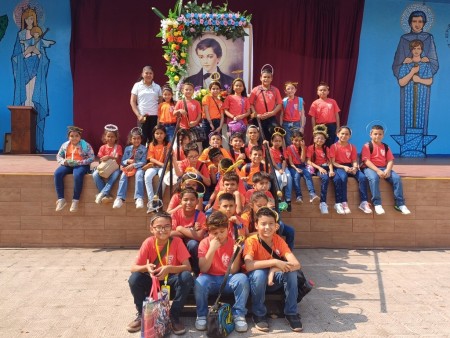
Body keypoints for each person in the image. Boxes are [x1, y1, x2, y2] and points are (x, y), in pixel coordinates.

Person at [127, 212, 194, 335]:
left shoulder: (177, 242)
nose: (163, 230)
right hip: (154, 283)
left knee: (186, 277)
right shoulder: (148, 242)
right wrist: (146, 267)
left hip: (171, 282)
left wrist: (169, 268)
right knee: (134, 278)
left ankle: (173, 316)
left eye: (167, 226)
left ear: (171, 227)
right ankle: (142, 315)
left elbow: (188, 267)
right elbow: (133, 268)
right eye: (159, 227)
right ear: (152, 229)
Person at [243, 207, 303, 332]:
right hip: (256, 281)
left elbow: (296, 264)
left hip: (273, 280)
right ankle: (258, 314)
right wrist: (275, 262)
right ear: (256, 225)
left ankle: (291, 313)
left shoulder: (278, 240)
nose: (267, 227)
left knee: (291, 272)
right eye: (263, 224)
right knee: (259, 274)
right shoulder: (251, 241)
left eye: (271, 224)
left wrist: (273, 270)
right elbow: (249, 265)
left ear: (276, 226)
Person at [194, 211, 249, 333]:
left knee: (242, 279)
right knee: (199, 282)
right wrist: (212, 250)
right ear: (208, 231)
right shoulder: (204, 243)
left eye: (222, 232)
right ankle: (202, 314)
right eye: (214, 233)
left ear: (228, 229)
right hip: (210, 278)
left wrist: (237, 254)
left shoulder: (232, 242)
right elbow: (203, 269)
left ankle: (239, 314)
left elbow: (234, 270)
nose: (219, 235)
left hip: (227, 279)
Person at [11, 6, 55, 152]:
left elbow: (45, 59)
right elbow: (15, 57)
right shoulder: (21, 35)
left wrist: (37, 52)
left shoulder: (38, 35)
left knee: (34, 102)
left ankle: (35, 144)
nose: (30, 20)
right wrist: (25, 53)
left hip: (36, 72)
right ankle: (23, 144)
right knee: (25, 102)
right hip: (24, 72)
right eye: (27, 18)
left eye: (32, 18)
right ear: (23, 20)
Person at [392, 10, 438, 139]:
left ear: (424, 23)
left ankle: (420, 140)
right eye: (414, 21)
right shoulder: (404, 39)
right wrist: (406, 64)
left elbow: (434, 62)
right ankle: (406, 140)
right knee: (407, 112)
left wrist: (425, 65)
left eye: (420, 21)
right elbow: (397, 62)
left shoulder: (428, 38)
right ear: (409, 22)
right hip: (407, 85)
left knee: (421, 112)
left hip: (423, 84)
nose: (417, 24)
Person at [361, 125, 411, 215]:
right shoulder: (367, 146)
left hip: (384, 168)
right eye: (375, 134)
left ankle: (400, 204)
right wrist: (378, 171)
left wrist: (387, 170)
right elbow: (366, 161)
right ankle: (377, 204)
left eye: (380, 134)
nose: (377, 136)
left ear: (383, 135)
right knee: (374, 179)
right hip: (370, 168)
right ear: (370, 134)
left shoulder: (386, 147)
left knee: (397, 178)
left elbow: (390, 160)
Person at [329, 126, 371, 215]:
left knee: (363, 178)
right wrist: (344, 167)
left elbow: (354, 161)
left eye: (347, 134)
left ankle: (364, 202)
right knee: (343, 178)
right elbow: (333, 162)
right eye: (342, 133)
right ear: (338, 134)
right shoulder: (334, 146)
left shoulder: (352, 147)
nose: (344, 136)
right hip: (339, 167)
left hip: (350, 166)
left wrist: (355, 168)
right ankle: (344, 202)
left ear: (350, 136)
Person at [54, 126, 94, 212]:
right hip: (68, 164)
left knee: (77, 175)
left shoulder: (85, 145)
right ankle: (61, 199)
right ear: (69, 137)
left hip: (81, 165)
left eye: (76, 136)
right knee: (57, 173)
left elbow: (92, 158)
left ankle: (75, 200)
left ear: (80, 137)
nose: (74, 138)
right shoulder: (65, 145)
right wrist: (64, 161)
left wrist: (80, 162)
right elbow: (59, 156)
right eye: (72, 136)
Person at [397, 40, 433, 136]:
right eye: (414, 48)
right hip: (408, 96)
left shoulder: (425, 65)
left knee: (421, 117)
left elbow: (430, 81)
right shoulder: (406, 65)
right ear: (411, 50)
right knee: (407, 117)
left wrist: (419, 80)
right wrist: (412, 72)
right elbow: (401, 82)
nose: (416, 51)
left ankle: (420, 141)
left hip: (422, 95)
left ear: (421, 50)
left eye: (419, 48)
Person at [171, 188, 207, 275]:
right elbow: (170, 233)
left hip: (191, 245)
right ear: (180, 201)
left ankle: (196, 271)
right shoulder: (176, 214)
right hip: (178, 243)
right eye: (185, 200)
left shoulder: (201, 215)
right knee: (173, 240)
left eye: (192, 200)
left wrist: (180, 228)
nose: (189, 203)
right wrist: (191, 231)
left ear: (197, 201)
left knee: (193, 243)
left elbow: (199, 236)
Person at [112, 127, 147, 209]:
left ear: (141, 139)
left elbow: (144, 162)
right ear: (131, 139)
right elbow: (123, 161)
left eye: (138, 138)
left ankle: (139, 198)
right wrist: (127, 162)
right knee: (123, 176)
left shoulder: (144, 149)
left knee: (139, 175)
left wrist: (134, 165)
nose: (136, 140)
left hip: (139, 168)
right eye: (134, 138)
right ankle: (120, 198)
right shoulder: (127, 149)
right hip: (128, 168)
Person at [306, 124, 335, 214]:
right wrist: (319, 168)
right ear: (314, 139)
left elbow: (329, 161)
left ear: (325, 140)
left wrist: (331, 170)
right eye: (318, 138)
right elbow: (308, 161)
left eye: (322, 138)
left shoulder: (326, 148)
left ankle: (337, 203)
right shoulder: (310, 148)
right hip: (317, 167)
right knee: (325, 178)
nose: (320, 140)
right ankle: (323, 202)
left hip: (326, 167)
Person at [130, 66, 162, 145]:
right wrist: (138, 115)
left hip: (155, 117)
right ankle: (142, 157)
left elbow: (160, 103)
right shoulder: (137, 85)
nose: (148, 75)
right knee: (142, 139)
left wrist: (159, 118)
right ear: (142, 74)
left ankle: (151, 157)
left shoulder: (157, 87)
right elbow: (132, 101)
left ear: (153, 75)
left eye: (150, 73)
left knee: (154, 140)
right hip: (142, 117)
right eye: (146, 73)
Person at [249, 65, 283, 140]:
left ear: (271, 79)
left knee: (275, 134)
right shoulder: (255, 90)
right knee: (260, 138)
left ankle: (274, 151)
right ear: (261, 78)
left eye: (268, 77)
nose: (266, 79)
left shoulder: (275, 90)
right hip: (258, 118)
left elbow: (279, 104)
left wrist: (272, 113)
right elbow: (250, 104)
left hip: (271, 117)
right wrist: (256, 114)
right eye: (264, 77)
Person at [285, 130, 319, 204]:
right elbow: (290, 162)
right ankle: (299, 196)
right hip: (293, 167)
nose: (297, 142)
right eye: (296, 140)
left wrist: (303, 148)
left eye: (299, 140)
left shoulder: (304, 147)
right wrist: (296, 168)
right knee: (296, 176)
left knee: (308, 175)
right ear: (292, 140)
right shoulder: (289, 148)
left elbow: (302, 160)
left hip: (302, 166)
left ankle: (312, 194)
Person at [92, 124, 123, 204]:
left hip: (115, 168)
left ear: (116, 137)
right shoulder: (102, 147)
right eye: (108, 136)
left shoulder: (118, 147)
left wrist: (109, 157)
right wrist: (103, 159)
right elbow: (100, 159)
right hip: (105, 168)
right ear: (105, 137)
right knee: (95, 174)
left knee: (114, 176)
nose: (110, 138)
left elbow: (116, 157)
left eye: (112, 136)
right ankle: (106, 195)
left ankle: (101, 193)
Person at [144, 124, 170, 213]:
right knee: (147, 176)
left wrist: (163, 165)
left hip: (163, 168)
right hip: (154, 167)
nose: (159, 135)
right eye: (157, 133)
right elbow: (150, 158)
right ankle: (152, 201)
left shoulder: (168, 144)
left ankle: (157, 200)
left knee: (163, 178)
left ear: (165, 134)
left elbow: (169, 158)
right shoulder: (151, 144)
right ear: (154, 135)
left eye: (161, 133)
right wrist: (161, 164)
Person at [308, 82, 340, 147]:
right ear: (317, 92)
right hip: (320, 126)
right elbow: (313, 117)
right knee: (319, 143)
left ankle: (328, 156)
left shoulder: (332, 102)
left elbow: (337, 115)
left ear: (328, 92)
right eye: (321, 90)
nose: (323, 92)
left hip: (331, 126)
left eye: (325, 90)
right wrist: (314, 129)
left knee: (330, 143)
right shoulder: (315, 103)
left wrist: (338, 127)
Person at [269, 132, 293, 210]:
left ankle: (288, 200)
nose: (278, 143)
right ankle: (278, 198)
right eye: (276, 141)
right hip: (274, 167)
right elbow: (272, 162)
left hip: (282, 167)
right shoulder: (270, 150)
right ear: (272, 141)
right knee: (278, 177)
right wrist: (279, 169)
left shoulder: (283, 150)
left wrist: (282, 169)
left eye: (279, 141)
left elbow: (284, 161)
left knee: (289, 177)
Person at [280, 81, 306, 146]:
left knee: (297, 141)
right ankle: (289, 155)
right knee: (288, 141)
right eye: (288, 89)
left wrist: (302, 127)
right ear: (285, 91)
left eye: (292, 88)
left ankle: (297, 155)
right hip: (286, 124)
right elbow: (281, 115)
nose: (290, 90)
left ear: (295, 90)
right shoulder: (283, 101)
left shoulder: (299, 100)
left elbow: (303, 115)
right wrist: (281, 126)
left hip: (296, 123)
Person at [201, 81, 224, 149]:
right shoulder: (207, 97)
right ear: (210, 90)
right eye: (213, 89)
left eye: (217, 89)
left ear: (220, 90)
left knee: (217, 141)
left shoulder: (220, 101)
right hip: (207, 122)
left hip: (217, 122)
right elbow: (206, 111)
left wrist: (220, 126)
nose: (215, 90)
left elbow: (222, 116)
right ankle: (205, 156)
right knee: (206, 141)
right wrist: (210, 123)